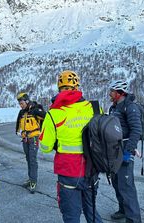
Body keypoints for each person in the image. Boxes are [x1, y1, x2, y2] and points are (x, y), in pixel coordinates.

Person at [39, 70, 103, 223]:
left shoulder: (54, 113)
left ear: (60, 88)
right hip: (92, 170)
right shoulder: (94, 108)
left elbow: (45, 147)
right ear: (77, 87)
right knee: (92, 211)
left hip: (69, 173)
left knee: (71, 216)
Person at [108, 80, 142, 223]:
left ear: (120, 93)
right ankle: (123, 210)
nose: (110, 94)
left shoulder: (130, 107)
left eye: (112, 91)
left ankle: (133, 219)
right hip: (114, 151)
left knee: (126, 186)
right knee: (117, 183)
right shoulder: (114, 107)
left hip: (125, 149)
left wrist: (128, 152)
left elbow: (136, 130)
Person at [15, 93, 46, 193]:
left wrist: (38, 108)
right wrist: (17, 131)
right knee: (28, 159)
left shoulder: (35, 110)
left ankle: (33, 181)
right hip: (25, 139)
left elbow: (46, 117)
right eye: (20, 104)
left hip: (34, 138)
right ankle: (30, 178)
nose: (21, 105)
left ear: (27, 101)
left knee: (32, 159)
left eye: (22, 103)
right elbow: (18, 123)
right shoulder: (22, 112)